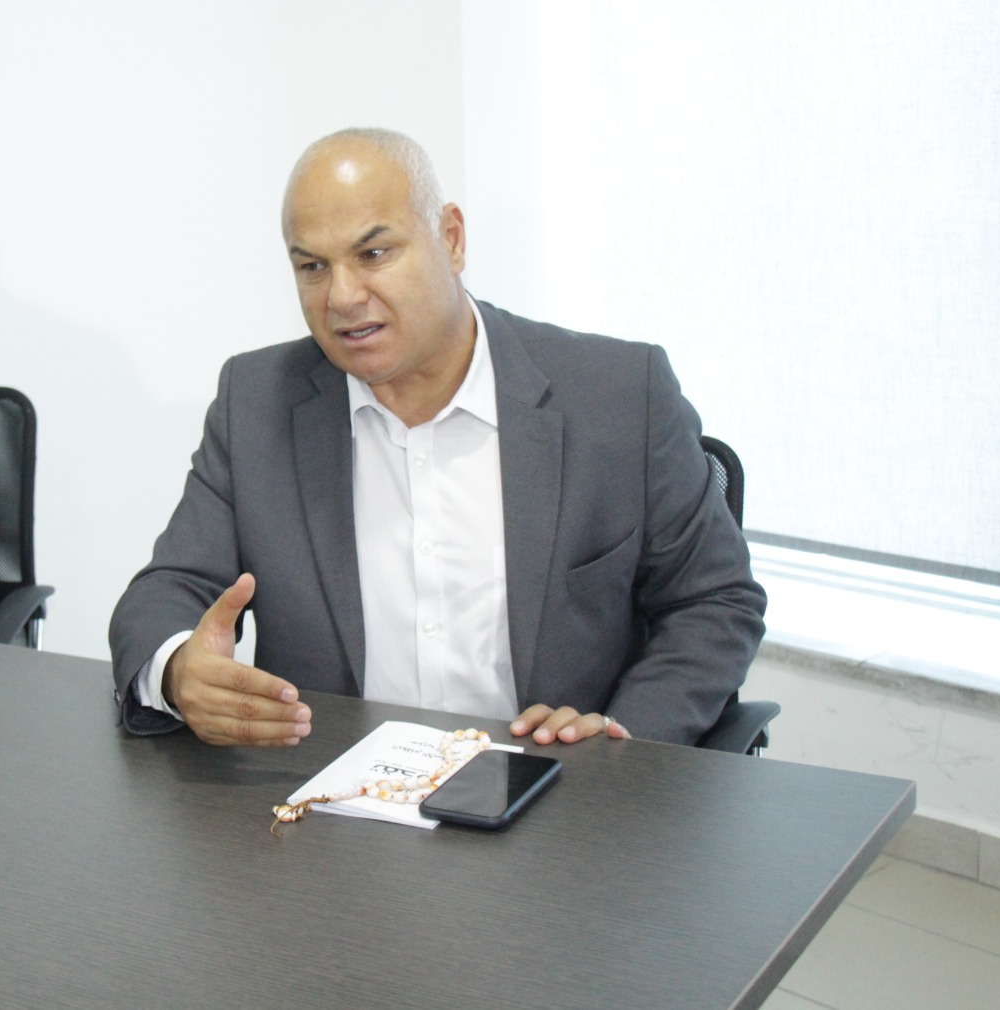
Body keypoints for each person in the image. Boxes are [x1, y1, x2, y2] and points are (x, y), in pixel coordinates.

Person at [109, 128, 765, 748]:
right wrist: (178, 669)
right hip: (335, 797)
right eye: (312, 266)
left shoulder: (617, 396)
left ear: (451, 238)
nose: (342, 296)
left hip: (555, 794)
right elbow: (166, 589)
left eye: (373, 254)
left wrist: (623, 736)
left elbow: (715, 601)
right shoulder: (257, 403)